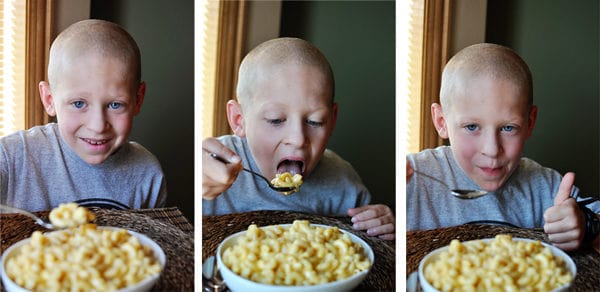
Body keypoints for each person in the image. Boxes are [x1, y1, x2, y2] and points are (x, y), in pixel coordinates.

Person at [406, 43, 600, 251]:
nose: (491, 149)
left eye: (508, 128)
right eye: (471, 127)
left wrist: (585, 225)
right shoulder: (411, 178)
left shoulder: (546, 187)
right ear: (442, 122)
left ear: (530, 123)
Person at [202, 37, 395, 240]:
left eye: (315, 121)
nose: (298, 139)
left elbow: (367, 247)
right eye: (276, 120)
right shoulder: (211, 168)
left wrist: (385, 226)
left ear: (332, 121)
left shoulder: (344, 185)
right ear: (239, 120)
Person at [0, 19, 167, 211]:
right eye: (78, 103)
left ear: (138, 99)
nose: (97, 126)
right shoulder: (12, 159)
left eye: (115, 104)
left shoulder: (147, 174)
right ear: (49, 99)